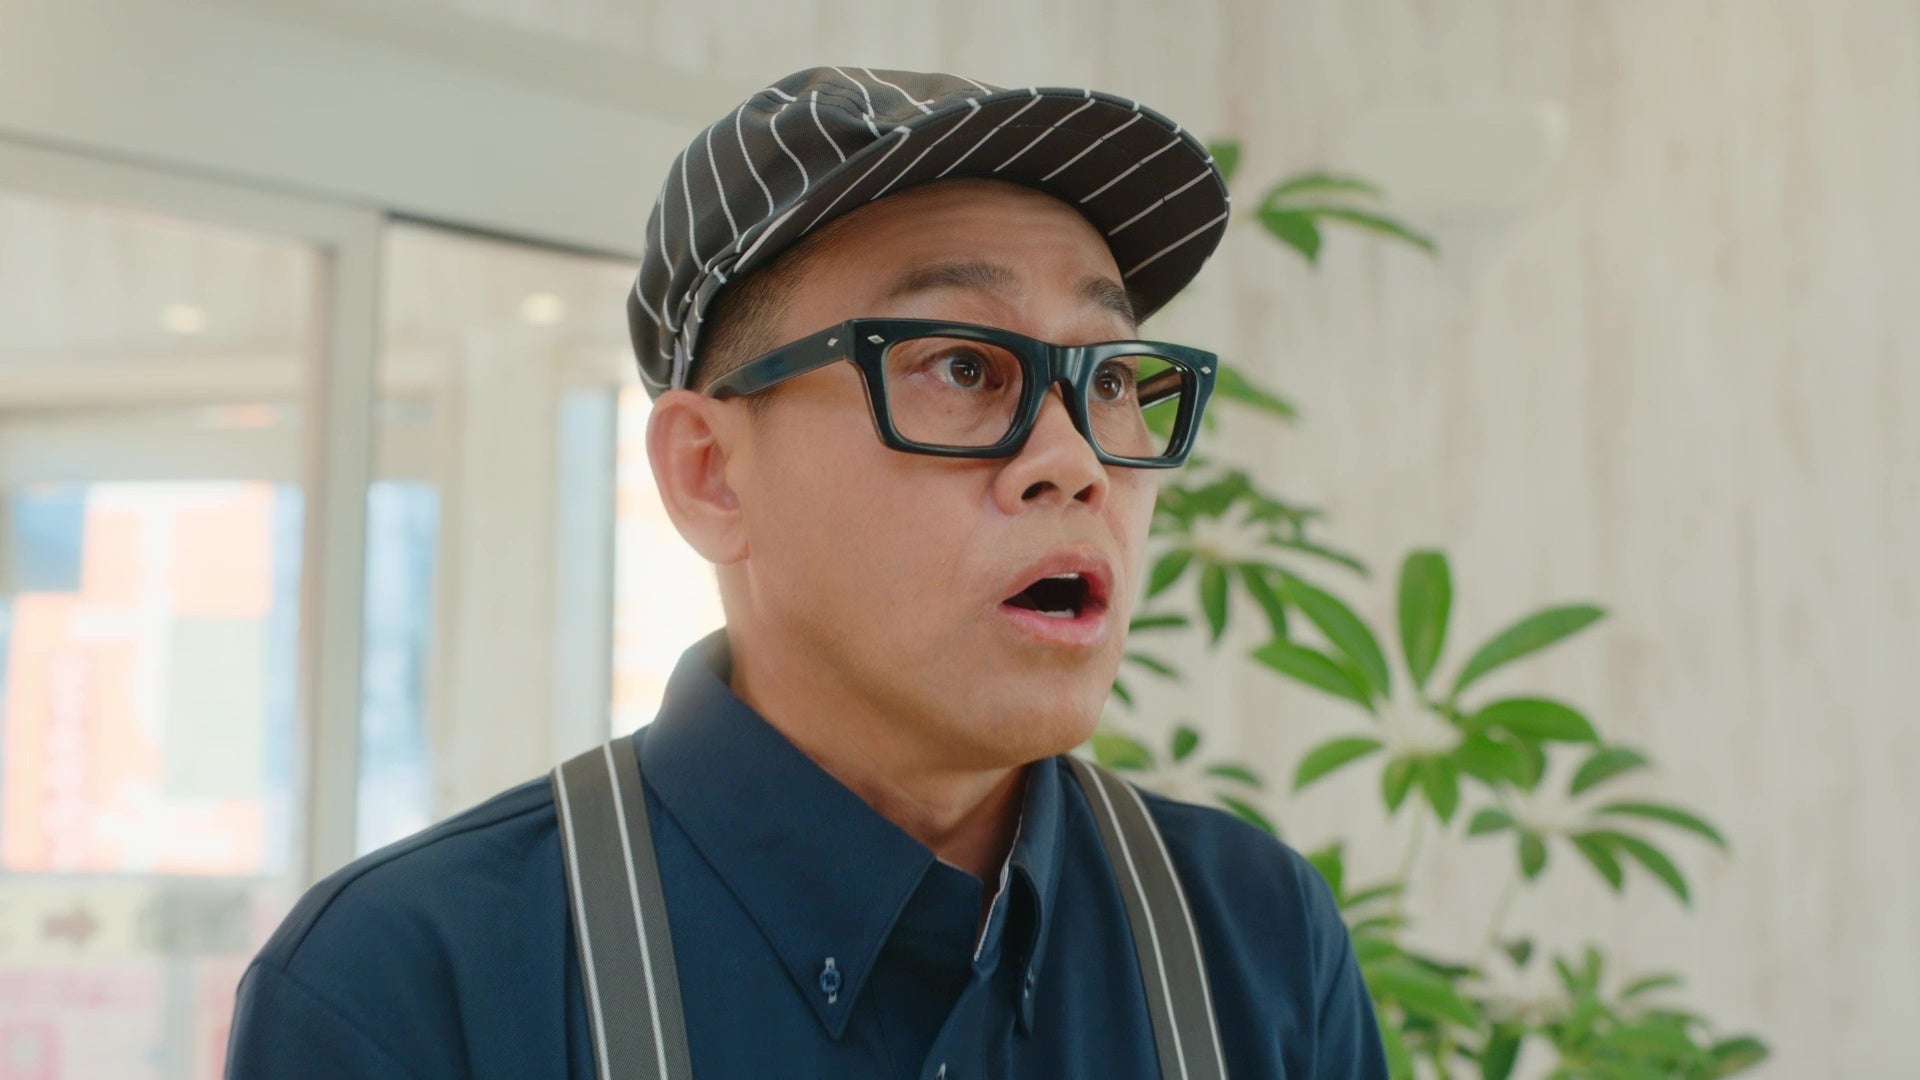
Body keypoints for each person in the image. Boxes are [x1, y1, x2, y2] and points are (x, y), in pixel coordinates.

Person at [225, 66, 1388, 1079]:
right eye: (962, 366)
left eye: (1113, 378)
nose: (1074, 462)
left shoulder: (1254, 938)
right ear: (711, 474)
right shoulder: (411, 983)